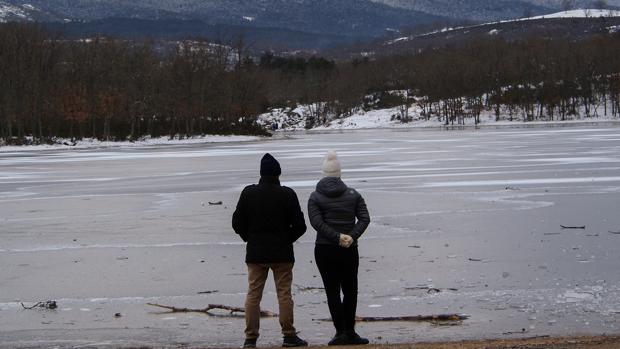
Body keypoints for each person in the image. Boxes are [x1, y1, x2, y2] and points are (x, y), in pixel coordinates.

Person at [232, 153, 308, 348]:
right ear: (278, 174)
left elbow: (237, 222)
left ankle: (250, 338)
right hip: (282, 253)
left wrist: (249, 238)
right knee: (284, 294)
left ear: (261, 173)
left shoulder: (248, 193)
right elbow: (300, 226)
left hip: (256, 253)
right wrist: (286, 239)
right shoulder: (287, 194)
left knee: (253, 294)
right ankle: (289, 335)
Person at [307, 150, 371, 346]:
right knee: (350, 290)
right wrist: (349, 237)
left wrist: (337, 237)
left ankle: (340, 332)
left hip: (325, 249)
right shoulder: (354, 195)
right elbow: (365, 219)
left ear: (323, 174)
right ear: (339, 174)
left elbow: (316, 223)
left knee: (332, 290)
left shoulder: (315, 197)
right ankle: (350, 331)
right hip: (348, 249)